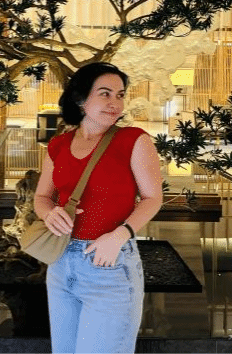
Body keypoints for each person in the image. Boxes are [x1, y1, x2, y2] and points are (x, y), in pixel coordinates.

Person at [33, 62, 163, 354]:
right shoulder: (58, 145)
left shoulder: (134, 140)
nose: (114, 102)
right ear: (81, 99)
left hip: (109, 265)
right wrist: (49, 213)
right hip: (61, 263)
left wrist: (119, 236)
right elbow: (42, 197)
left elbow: (153, 198)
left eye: (120, 95)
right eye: (105, 93)